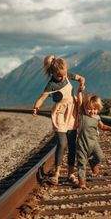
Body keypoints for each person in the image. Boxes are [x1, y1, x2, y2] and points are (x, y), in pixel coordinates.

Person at [32, 55, 85, 185]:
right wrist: (36, 107)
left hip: (72, 113)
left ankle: (71, 173)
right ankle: (56, 173)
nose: (62, 77)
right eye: (59, 76)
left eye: (63, 75)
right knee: (62, 143)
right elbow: (42, 97)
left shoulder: (67, 75)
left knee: (72, 144)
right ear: (52, 73)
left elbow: (80, 78)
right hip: (60, 114)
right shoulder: (51, 84)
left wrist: (81, 84)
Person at [76, 93, 111, 188]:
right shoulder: (82, 115)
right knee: (81, 163)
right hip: (81, 144)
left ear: (98, 109)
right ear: (84, 107)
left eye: (95, 109)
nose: (92, 111)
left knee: (100, 157)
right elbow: (80, 101)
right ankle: (82, 182)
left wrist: (110, 128)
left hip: (94, 143)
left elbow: (102, 126)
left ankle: (93, 163)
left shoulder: (97, 118)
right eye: (89, 109)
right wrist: (80, 90)